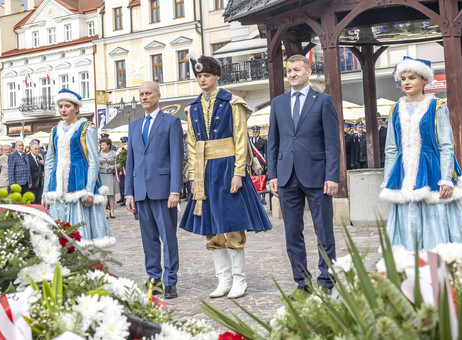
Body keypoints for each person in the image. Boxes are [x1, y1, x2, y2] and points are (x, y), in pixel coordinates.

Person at [180, 55, 272, 299]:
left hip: (227, 166)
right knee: (211, 227)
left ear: (216, 77)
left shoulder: (233, 103)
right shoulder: (193, 108)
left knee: (232, 224)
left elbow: (241, 139)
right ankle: (223, 279)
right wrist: (192, 176)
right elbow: (191, 143)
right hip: (204, 170)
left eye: (206, 76)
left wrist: (239, 172)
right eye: (199, 76)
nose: (202, 80)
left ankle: (240, 280)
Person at [380, 57, 462, 251]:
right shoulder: (395, 109)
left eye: (412, 77)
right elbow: (391, 148)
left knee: (436, 217)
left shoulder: (437, 106)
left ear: (424, 80)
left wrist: (446, 178)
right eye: (403, 78)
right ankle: (409, 265)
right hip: (404, 174)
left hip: (432, 170)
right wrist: (388, 178)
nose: (406, 82)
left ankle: (438, 262)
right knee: (406, 220)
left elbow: (446, 145)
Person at [267, 54, 340, 294]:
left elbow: (332, 142)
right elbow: (273, 142)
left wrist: (332, 176)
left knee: (323, 230)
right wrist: (272, 175)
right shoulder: (278, 103)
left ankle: (327, 279)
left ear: (308, 72)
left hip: (318, 176)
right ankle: (302, 281)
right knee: (292, 231)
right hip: (287, 176)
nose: (292, 74)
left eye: (297, 70)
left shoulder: (323, 101)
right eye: (289, 71)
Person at [125, 81, 183, 299]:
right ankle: (154, 280)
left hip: (163, 190)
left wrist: (175, 190)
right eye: (141, 94)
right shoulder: (134, 125)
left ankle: (170, 281)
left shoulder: (171, 122)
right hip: (140, 190)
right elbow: (130, 161)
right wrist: (128, 192)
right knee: (148, 239)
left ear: (158, 96)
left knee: (168, 238)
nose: (144, 97)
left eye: (148, 93)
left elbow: (177, 157)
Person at [43, 88, 113, 246]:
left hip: (79, 182)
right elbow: (49, 162)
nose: (63, 109)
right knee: (56, 235)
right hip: (57, 186)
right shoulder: (55, 130)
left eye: (67, 106)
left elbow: (93, 160)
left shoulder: (87, 128)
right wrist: (46, 191)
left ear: (76, 108)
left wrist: (89, 190)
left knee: (80, 233)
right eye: (60, 106)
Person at [98, 137, 119, 218]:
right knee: (103, 194)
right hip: (102, 175)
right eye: (101, 145)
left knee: (112, 194)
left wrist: (114, 166)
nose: (102, 146)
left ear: (108, 145)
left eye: (103, 145)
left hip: (111, 175)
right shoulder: (98, 153)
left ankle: (112, 211)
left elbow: (120, 164)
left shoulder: (114, 153)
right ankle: (104, 211)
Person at [116, 137, 128, 205]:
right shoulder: (121, 150)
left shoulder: (128, 149)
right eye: (123, 142)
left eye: (125, 142)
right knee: (122, 185)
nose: (124, 143)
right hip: (122, 170)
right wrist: (120, 169)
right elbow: (119, 161)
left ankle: (126, 199)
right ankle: (122, 197)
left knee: (125, 185)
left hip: (127, 170)